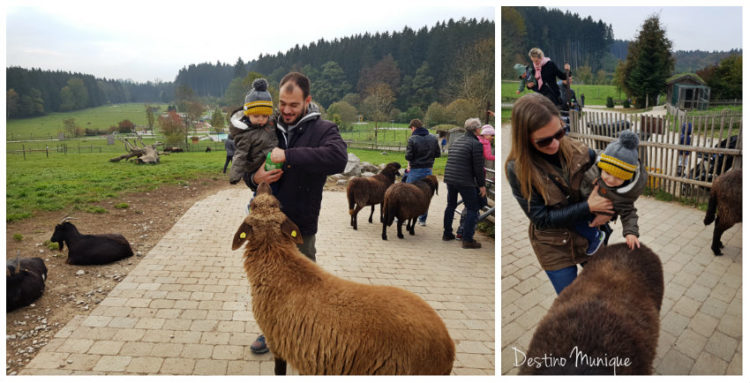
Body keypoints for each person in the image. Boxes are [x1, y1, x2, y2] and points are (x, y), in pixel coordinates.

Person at [243, 72, 348, 354]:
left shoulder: (324, 130)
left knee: (305, 281)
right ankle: (270, 330)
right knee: (267, 282)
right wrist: (256, 177)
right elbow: (248, 167)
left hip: (301, 223)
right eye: (282, 103)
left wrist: (288, 156)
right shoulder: (267, 126)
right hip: (265, 226)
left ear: (307, 101)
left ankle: (308, 329)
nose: (286, 110)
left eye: (293, 104)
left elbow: (338, 159)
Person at [505, 93, 614, 295]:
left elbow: (611, 187)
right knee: (572, 303)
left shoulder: (582, 151)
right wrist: (588, 207)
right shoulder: (518, 169)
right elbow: (541, 219)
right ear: (525, 139)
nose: (555, 144)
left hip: (591, 237)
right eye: (544, 141)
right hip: (554, 245)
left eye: (559, 133)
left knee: (605, 293)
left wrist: (609, 212)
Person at [577, 130, 648, 254]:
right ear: (601, 167)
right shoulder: (591, 170)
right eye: (607, 173)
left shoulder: (626, 194)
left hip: (596, 220)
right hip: (582, 207)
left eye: (618, 177)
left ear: (626, 178)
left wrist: (631, 233)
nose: (610, 179)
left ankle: (597, 237)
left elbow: (628, 212)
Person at [442, 118, 486, 249]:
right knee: (473, 208)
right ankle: (467, 239)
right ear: (477, 129)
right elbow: (478, 167)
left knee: (450, 205)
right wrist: (482, 185)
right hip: (465, 180)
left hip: (450, 178)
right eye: (480, 127)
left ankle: (447, 233)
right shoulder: (476, 144)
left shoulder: (456, 141)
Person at [227, 78, 278, 189]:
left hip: (272, 162)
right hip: (256, 166)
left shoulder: (270, 122)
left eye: (264, 116)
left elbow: (279, 115)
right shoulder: (245, 134)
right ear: (247, 115)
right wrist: (235, 175)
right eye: (256, 116)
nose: (261, 119)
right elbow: (240, 155)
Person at [405, 118, 441, 226]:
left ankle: (405, 216)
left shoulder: (412, 139)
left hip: (415, 170)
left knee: (407, 193)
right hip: (428, 170)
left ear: (413, 127)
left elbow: (408, 156)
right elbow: (438, 154)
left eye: (411, 129)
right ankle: (422, 219)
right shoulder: (433, 138)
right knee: (425, 194)